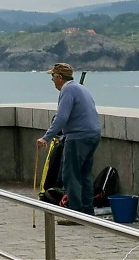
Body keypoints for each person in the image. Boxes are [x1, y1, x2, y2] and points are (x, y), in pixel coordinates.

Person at [36, 62, 101, 225]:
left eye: (53, 76)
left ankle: (75, 214)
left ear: (59, 77)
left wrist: (46, 137)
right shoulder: (80, 88)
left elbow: (61, 117)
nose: (51, 80)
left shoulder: (68, 90)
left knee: (70, 175)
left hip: (78, 137)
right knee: (84, 174)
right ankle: (88, 212)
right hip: (93, 134)